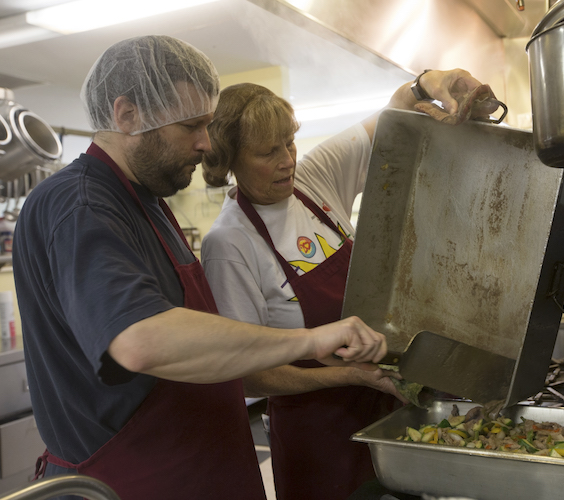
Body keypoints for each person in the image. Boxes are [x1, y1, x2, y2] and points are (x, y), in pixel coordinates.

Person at [12, 35, 391, 500]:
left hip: (203, 470)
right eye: (191, 125)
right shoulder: (80, 204)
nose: (206, 144)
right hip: (136, 481)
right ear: (127, 115)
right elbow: (140, 340)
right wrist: (310, 340)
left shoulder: (148, 202)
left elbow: (209, 351)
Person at [200, 69, 499, 500]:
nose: (287, 159)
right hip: (317, 433)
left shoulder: (311, 179)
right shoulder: (230, 243)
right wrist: (345, 376)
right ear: (231, 160)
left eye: (290, 141)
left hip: (385, 407)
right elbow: (248, 375)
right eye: (268, 152)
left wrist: (431, 82)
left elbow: (393, 114)